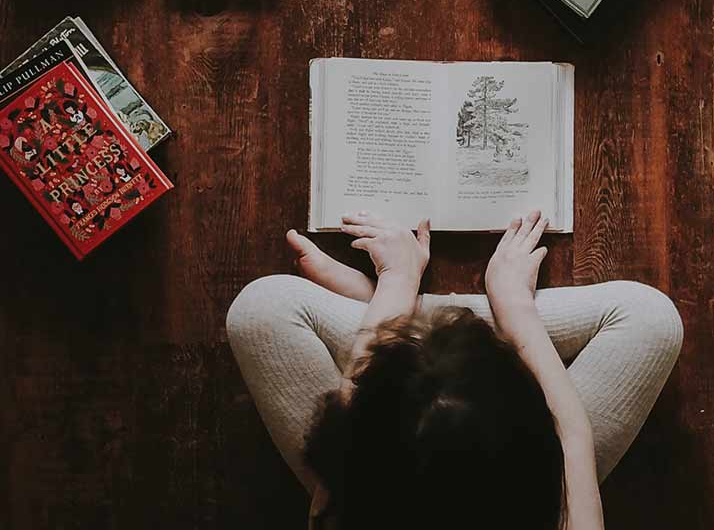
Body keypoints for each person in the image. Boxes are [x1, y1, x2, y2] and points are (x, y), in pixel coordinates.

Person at [227, 210, 683, 530]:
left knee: (260, 310)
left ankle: (414, 313)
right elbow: (573, 434)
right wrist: (515, 305)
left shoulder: (342, 506)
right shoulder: (559, 493)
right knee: (651, 319)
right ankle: (441, 318)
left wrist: (396, 283)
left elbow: (352, 406)